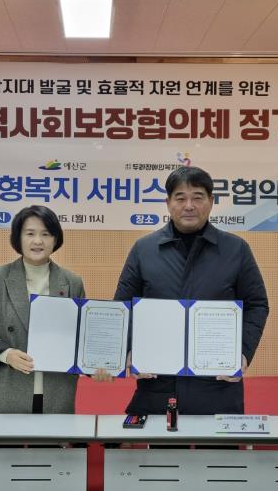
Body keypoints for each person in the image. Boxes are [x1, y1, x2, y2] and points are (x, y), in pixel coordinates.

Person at [114, 166, 269, 415]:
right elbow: (123, 308)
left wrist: (242, 352)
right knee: (159, 440)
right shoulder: (144, 250)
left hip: (218, 383)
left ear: (211, 201)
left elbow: (256, 304)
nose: (189, 206)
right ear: (168, 203)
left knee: (216, 441)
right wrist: (130, 349)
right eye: (180, 198)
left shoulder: (235, 249)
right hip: (158, 383)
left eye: (197, 197)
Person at [0, 205, 85, 414]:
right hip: (5, 390)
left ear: (55, 239)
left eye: (45, 234)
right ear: (18, 238)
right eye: (30, 234)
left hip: (55, 391)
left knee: (52, 436)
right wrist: (6, 353)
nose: (38, 241)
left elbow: (81, 335)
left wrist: (97, 364)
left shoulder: (72, 282)